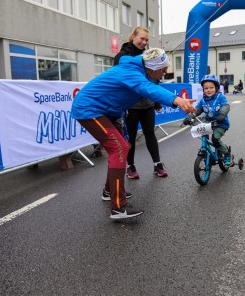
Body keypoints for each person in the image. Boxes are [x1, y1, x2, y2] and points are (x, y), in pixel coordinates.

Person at [71, 48, 196, 220]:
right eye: (163, 70)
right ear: (152, 69)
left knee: (122, 147)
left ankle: (109, 192)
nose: (164, 73)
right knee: (120, 148)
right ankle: (118, 208)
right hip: (89, 109)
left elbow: (149, 88)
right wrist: (177, 100)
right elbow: (147, 88)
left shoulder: (142, 69)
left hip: (109, 111)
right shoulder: (131, 72)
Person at [114, 27, 168, 179]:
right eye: (141, 39)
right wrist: (122, 106)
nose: (144, 42)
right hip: (131, 106)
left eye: (146, 40)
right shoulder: (121, 56)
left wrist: (157, 103)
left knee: (150, 134)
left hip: (148, 104)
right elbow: (118, 83)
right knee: (130, 136)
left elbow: (154, 79)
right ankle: (130, 167)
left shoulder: (148, 56)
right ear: (133, 37)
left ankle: (157, 164)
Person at [183, 74, 233, 166]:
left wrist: (222, 114)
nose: (209, 90)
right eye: (206, 88)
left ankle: (227, 155)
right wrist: (189, 117)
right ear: (203, 89)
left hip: (220, 123)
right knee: (203, 133)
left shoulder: (220, 97)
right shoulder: (203, 100)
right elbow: (197, 111)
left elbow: (226, 106)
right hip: (208, 123)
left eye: (211, 87)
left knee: (215, 139)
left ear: (216, 88)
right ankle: (205, 149)